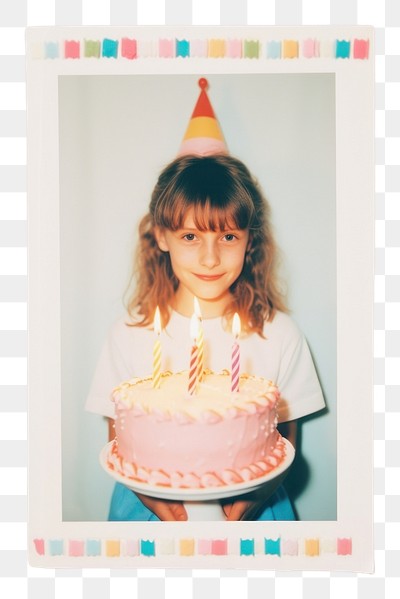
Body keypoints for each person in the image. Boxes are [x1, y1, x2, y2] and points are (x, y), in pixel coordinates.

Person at [86, 152, 326, 522]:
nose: (210, 258)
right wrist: (150, 498)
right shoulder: (129, 334)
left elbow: (285, 440)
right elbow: (119, 438)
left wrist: (257, 496)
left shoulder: (278, 334)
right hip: (146, 509)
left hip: (257, 510)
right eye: (190, 236)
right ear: (162, 236)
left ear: (250, 240)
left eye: (228, 235)